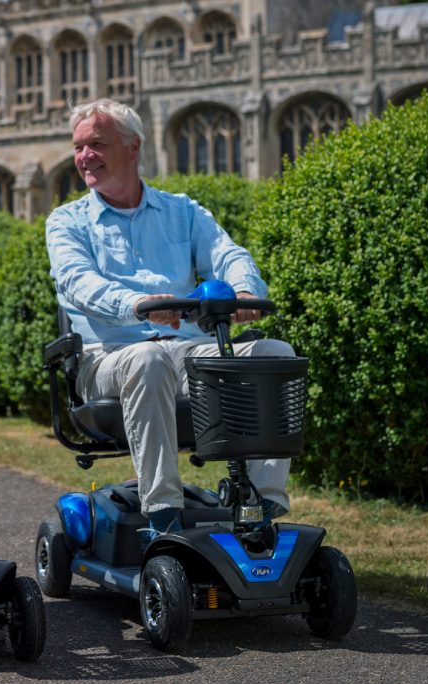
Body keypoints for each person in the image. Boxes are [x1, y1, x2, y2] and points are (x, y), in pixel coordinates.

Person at [46, 99, 294, 538]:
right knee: (147, 359)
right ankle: (163, 514)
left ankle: (262, 504)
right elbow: (77, 283)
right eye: (79, 146)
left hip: (188, 354)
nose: (85, 156)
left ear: (133, 147)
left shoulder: (182, 211)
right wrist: (138, 304)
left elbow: (227, 254)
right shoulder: (67, 222)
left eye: (97, 144)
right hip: (108, 359)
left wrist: (245, 291)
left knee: (275, 354)